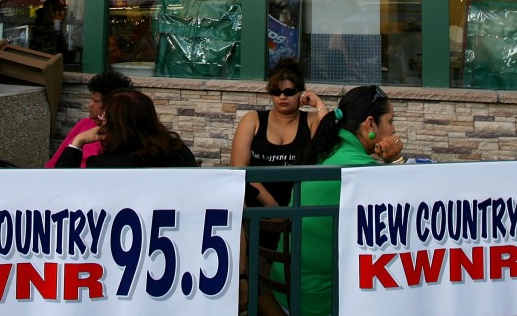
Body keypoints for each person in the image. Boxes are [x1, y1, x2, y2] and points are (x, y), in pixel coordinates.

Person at [270, 85, 435, 316]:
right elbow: (411, 206)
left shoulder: (328, 151)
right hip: (319, 306)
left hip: (288, 291)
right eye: (390, 121)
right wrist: (396, 159)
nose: (393, 130)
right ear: (370, 124)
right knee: (428, 313)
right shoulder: (358, 169)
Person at [231, 57, 327, 208]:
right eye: (276, 91)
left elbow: (328, 138)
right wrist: (273, 206)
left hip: (298, 209)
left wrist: (319, 103)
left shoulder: (311, 121)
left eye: (289, 92)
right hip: (257, 213)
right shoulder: (253, 120)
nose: (282, 96)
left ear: (301, 94)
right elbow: (239, 169)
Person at [53, 88, 197, 169]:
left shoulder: (104, 165)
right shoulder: (180, 152)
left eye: (106, 116)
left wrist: (78, 141)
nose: (101, 119)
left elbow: (63, 188)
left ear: (117, 125)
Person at [45, 69, 132, 168]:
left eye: (96, 101)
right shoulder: (85, 124)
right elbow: (54, 163)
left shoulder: (124, 134)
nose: (90, 105)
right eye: (91, 99)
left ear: (112, 105)